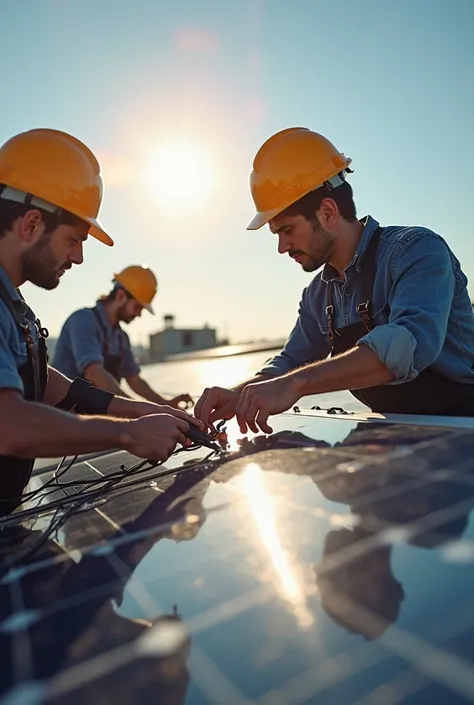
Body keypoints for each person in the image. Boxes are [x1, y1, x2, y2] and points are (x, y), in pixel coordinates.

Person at [195, 126, 474, 433]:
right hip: (397, 439)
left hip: (464, 432)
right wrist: (241, 393)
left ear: (327, 212)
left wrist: (295, 385)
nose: (281, 247)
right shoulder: (318, 295)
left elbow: (407, 345)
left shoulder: (416, 250)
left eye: (287, 230)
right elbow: (290, 362)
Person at [0, 128, 201, 511]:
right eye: (74, 240)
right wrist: (130, 435)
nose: (78, 259)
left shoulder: (15, 309)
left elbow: (60, 391)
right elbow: (8, 427)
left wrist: (153, 412)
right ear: (30, 225)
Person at [53, 265, 193, 408]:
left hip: (91, 413)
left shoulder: (120, 337)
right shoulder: (83, 320)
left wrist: (166, 405)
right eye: (138, 307)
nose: (139, 314)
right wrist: (137, 409)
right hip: (64, 414)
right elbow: (93, 373)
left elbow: (134, 379)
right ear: (120, 296)